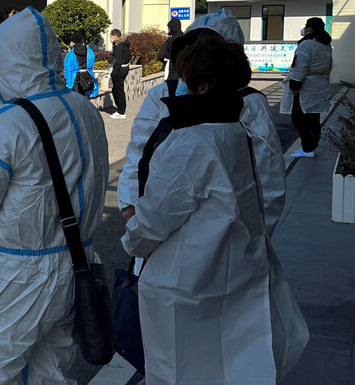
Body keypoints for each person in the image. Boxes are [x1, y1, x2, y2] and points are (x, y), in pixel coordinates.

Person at [123, 33, 308, 385]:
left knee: (180, 369)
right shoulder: (236, 132)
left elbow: (156, 217)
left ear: (203, 87)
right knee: (233, 366)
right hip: (235, 271)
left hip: (183, 283)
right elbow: (266, 193)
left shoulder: (192, 142)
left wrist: (132, 230)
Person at [0, 8, 108, 384]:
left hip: (11, 279)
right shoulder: (86, 112)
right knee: (49, 374)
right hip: (74, 267)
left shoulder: (5, 122)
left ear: (7, 61)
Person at [118, 8, 287, 237]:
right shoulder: (163, 95)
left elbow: (268, 179)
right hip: (159, 232)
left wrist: (256, 239)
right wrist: (130, 209)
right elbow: (139, 154)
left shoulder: (251, 103)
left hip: (227, 237)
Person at [281, 17, 333, 158]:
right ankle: (311, 146)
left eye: (306, 26)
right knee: (313, 117)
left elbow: (300, 67)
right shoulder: (326, 45)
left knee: (298, 118)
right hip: (319, 85)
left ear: (310, 29)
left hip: (305, 87)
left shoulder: (307, 45)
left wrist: (295, 85)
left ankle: (307, 148)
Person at [63, 31, 99, 98]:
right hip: (87, 77)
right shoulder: (90, 52)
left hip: (75, 79)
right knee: (85, 100)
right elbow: (92, 65)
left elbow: (67, 69)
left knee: (76, 101)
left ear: (73, 42)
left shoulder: (70, 54)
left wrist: (68, 83)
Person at [109, 28, 131, 119]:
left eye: (111, 36)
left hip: (120, 70)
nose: (110, 37)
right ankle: (120, 109)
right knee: (117, 89)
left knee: (118, 90)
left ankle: (121, 111)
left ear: (115, 36)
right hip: (124, 68)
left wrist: (113, 73)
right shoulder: (124, 45)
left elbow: (118, 60)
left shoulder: (119, 46)